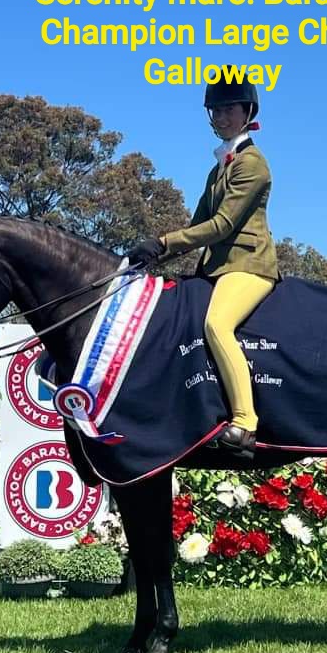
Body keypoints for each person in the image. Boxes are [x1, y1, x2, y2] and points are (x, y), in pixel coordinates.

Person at [126, 68, 281, 459]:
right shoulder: (218, 168)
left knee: (217, 324)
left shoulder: (252, 164)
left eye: (229, 109)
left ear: (247, 111)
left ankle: (245, 423)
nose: (221, 117)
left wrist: (164, 242)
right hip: (217, 267)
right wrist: (156, 255)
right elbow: (197, 225)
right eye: (216, 110)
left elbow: (222, 225)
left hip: (248, 265)